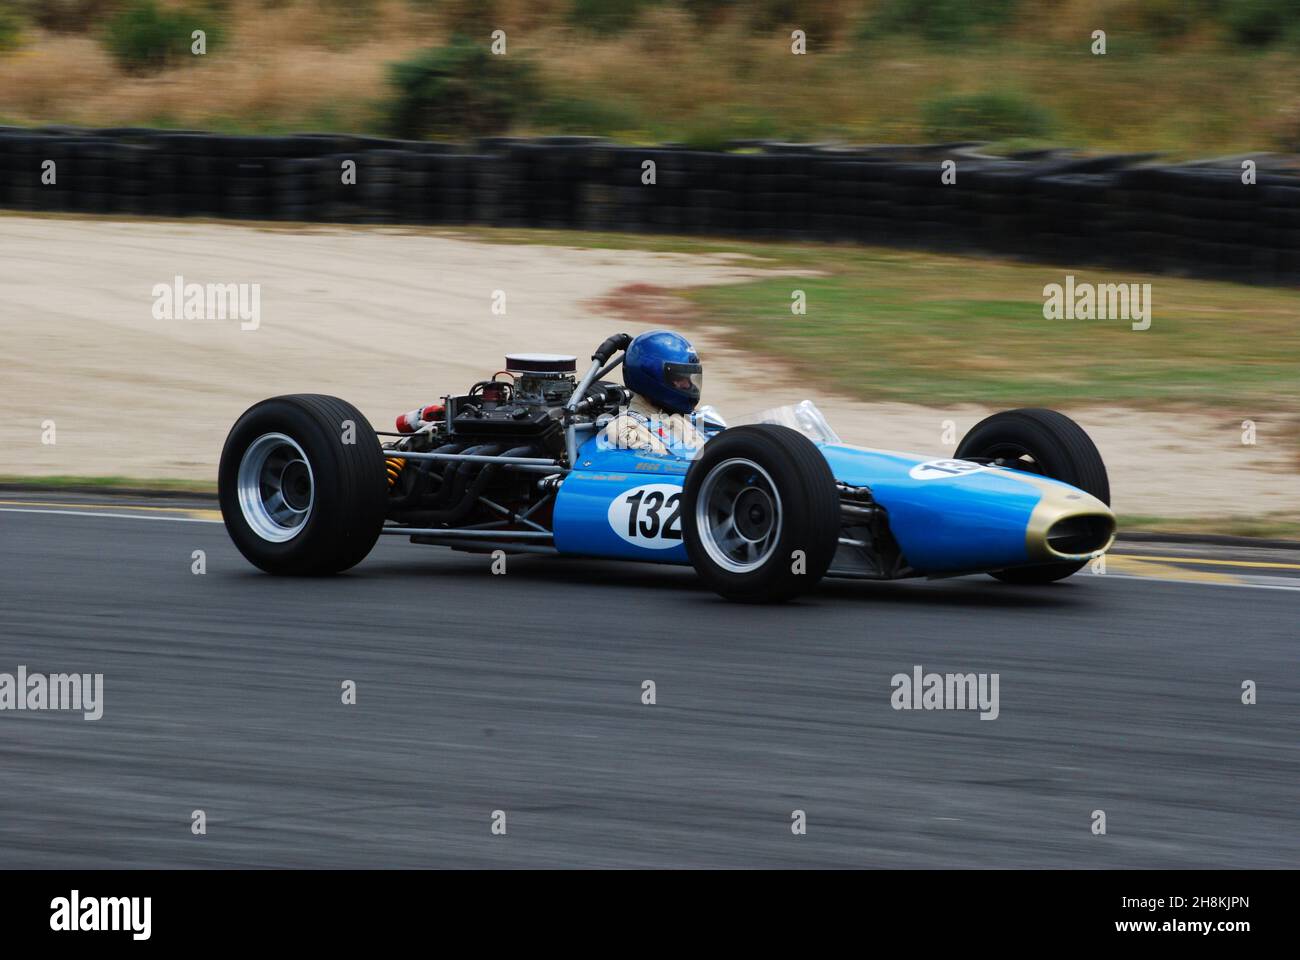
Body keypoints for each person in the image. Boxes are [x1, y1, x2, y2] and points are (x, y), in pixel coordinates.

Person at [600, 330, 709, 454]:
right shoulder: (625, 427)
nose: (688, 385)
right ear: (650, 379)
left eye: (689, 378)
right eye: (679, 379)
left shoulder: (682, 420)